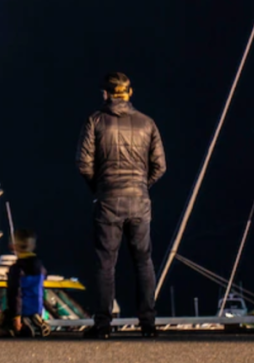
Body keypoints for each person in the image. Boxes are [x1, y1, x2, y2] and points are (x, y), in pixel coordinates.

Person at [76, 72, 166, 339]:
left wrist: (102, 188)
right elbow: (160, 166)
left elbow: (83, 164)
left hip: (107, 201)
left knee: (105, 263)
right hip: (139, 201)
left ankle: (103, 325)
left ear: (106, 94)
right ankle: (148, 324)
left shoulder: (95, 121)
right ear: (130, 93)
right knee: (143, 262)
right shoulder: (147, 123)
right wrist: (141, 185)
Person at [0, 229, 50, 337]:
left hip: (21, 312)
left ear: (13, 246)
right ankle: (35, 323)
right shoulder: (40, 267)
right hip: (36, 310)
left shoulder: (16, 269)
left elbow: (15, 294)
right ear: (33, 246)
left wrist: (16, 316)